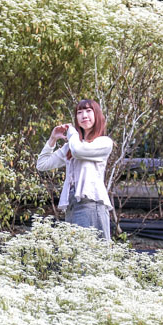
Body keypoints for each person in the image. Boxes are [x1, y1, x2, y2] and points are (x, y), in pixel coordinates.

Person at [36, 99, 114, 241]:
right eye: (79, 112)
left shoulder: (104, 142)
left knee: (93, 252)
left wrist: (72, 133)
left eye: (88, 111)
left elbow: (78, 151)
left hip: (91, 204)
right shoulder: (71, 146)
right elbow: (42, 164)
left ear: (97, 115)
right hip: (72, 206)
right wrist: (52, 139)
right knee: (76, 253)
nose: (84, 115)